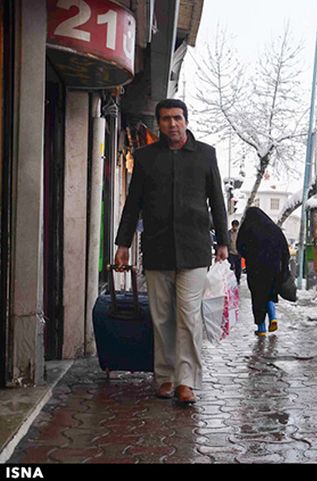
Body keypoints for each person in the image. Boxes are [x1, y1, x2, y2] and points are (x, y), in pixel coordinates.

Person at [114, 98, 229, 404]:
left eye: (177, 118)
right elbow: (133, 203)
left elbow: (217, 199)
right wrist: (123, 244)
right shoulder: (146, 157)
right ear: (160, 124)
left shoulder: (205, 155)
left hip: (194, 249)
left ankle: (186, 381)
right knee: (162, 316)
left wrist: (223, 242)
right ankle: (164, 376)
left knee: (189, 316)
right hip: (157, 247)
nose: (172, 124)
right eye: (166, 119)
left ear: (186, 121)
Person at [235, 207, 290, 337]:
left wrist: (249, 254)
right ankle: (273, 318)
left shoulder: (248, 229)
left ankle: (261, 328)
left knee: (258, 297)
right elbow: (285, 251)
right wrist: (283, 268)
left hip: (256, 269)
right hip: (274, 269)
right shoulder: (275, 230)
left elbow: (240, 247)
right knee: (270, 294)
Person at [228, 219, 242, 284]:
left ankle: (237, 280)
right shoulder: (229, 233)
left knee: (238, 268)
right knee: (231, 267)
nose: (235, 227)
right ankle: (230, 280)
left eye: (236, 226)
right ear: (232, 225)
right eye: (234, 226)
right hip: (231, 253)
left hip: (238, 253)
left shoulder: (240, 234)